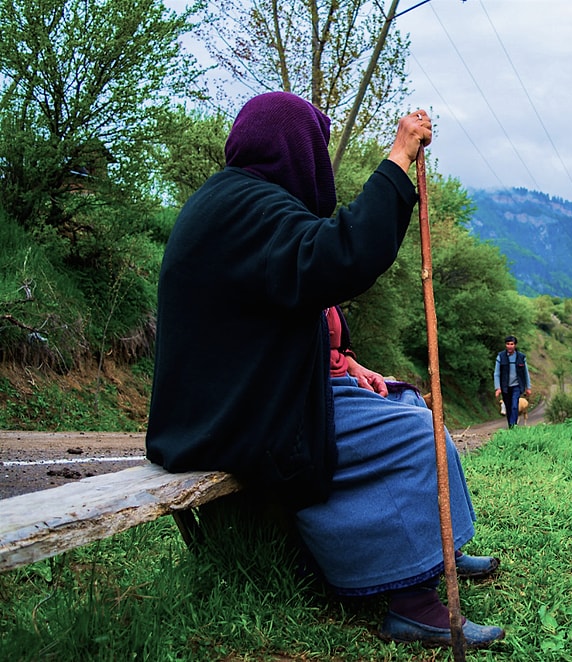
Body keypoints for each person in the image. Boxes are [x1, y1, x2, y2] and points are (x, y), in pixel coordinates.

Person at [146, 91, 504, 649]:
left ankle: (439, 550)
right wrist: (398, 158)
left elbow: (270, 314)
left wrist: (341, 362)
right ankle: (411, 602)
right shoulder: (246, 209)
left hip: (247, 399)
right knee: (415, 436)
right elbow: (340, 254)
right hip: (232, 419)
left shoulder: (233, 204)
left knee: (405, 402)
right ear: (296, 150)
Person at [493, 335, 531, 428]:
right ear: (505, 345)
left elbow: (526, 373)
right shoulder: (500, 357)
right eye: (508, 344)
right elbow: (496, 373)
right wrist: (498, 388)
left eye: (512, 344)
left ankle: (514, 426)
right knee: (509, 407)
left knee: (514, 406)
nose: (510, 346)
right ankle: (511, 426)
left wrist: (528, 387)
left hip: (517, 386)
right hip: (505, 387)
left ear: (515, 345)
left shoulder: (521, 357)